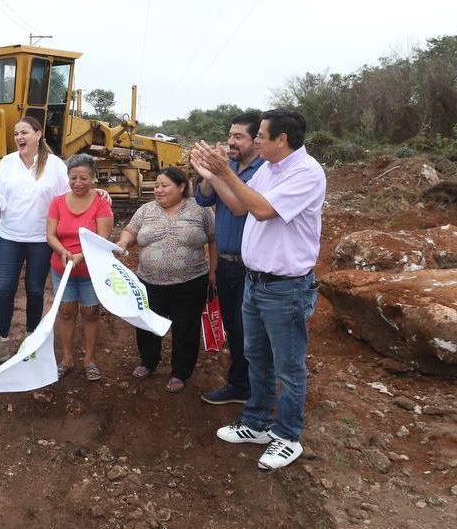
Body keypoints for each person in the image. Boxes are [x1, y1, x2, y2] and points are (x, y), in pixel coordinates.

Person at [190, 109, 324, 470]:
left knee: (288, 367)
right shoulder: (269, 168)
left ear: (281, 139)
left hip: (286, 287)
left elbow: (263, 210)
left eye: (261, 136)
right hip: (256, 280)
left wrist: (224, 171)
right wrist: (213, 176)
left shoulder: (306, 172)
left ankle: (287, 436)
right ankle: (256, 422)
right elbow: (237, 205)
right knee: (256, 357)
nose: (257, 141)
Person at [0, 116, 71, 366]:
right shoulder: (7, 162)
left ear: (38, 134)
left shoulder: (56, 166)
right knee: (5, 290)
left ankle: (31, 344)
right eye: (16, 133)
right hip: (10, 237)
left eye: (24, 132)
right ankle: (0, 344)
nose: (19, 137)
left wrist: (98, 194)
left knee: (35, 290)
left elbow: (68, 197)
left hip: (41, 239)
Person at [115, 167, 216, 393]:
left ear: (181, 187)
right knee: (147, 325)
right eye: (156, 185)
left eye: (164, 186)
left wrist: (213, 272)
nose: (158, 190)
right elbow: (130, 232)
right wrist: (122, 242)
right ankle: (148, 362)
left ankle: (180, 372)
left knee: (185, 328)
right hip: (149, 282)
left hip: (190, 282)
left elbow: (213, 239)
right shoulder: (145, 210)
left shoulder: (201, 210)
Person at [194, 112, 264, 405]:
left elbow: (238, 208)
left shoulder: (262, 172)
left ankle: (252, 388)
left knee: (248, 329)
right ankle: (241, 384)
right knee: (234, 326)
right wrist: (209, 174)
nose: (231, 142)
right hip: (225, 262)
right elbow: (203, 198)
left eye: (239, 137)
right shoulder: (230, 166)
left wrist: (218, 173)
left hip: (248, 265)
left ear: (256, 140)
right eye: (230, 135)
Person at [46, 154, 113, 381]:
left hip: (90, 269)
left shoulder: (101, 204)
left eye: (83, 178)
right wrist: (63, 252)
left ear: (93, 178)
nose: (77, 182)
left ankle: (89, 360)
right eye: (73, 177)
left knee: (90, 313)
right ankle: (66, 359)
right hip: (61, 267)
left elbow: (102, 239)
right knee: (65, 312)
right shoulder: (57, 202)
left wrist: (82, 256)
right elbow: (50, 235)